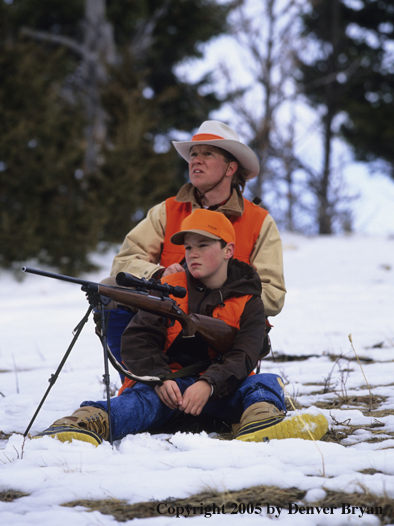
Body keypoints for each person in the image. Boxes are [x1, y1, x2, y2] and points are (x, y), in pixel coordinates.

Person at [35, 210, 327, 446]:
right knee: (140, 401)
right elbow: (138, 340)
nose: (193, 254)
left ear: (229, 250)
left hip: (225, 388)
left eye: (203, 245)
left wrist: (208, 383)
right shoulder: (169, 289)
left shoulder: (250, 298)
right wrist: (161, 380)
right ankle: (84, 423)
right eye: (188, 247)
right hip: (171, 392)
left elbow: (246, 353)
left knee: (264, 383)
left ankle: (263, 424)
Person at [103, 120, 286, 370]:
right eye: (193, 154)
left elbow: (273, 295)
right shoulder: (166, 211)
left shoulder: (260, 222)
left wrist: (219, 297)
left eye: (207, 154)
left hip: (228, 334)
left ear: (231, 167)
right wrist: (160, 275)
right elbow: (123, 263)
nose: (196, 160)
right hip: (168, 321)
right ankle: (139, 378)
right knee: (110, 290)